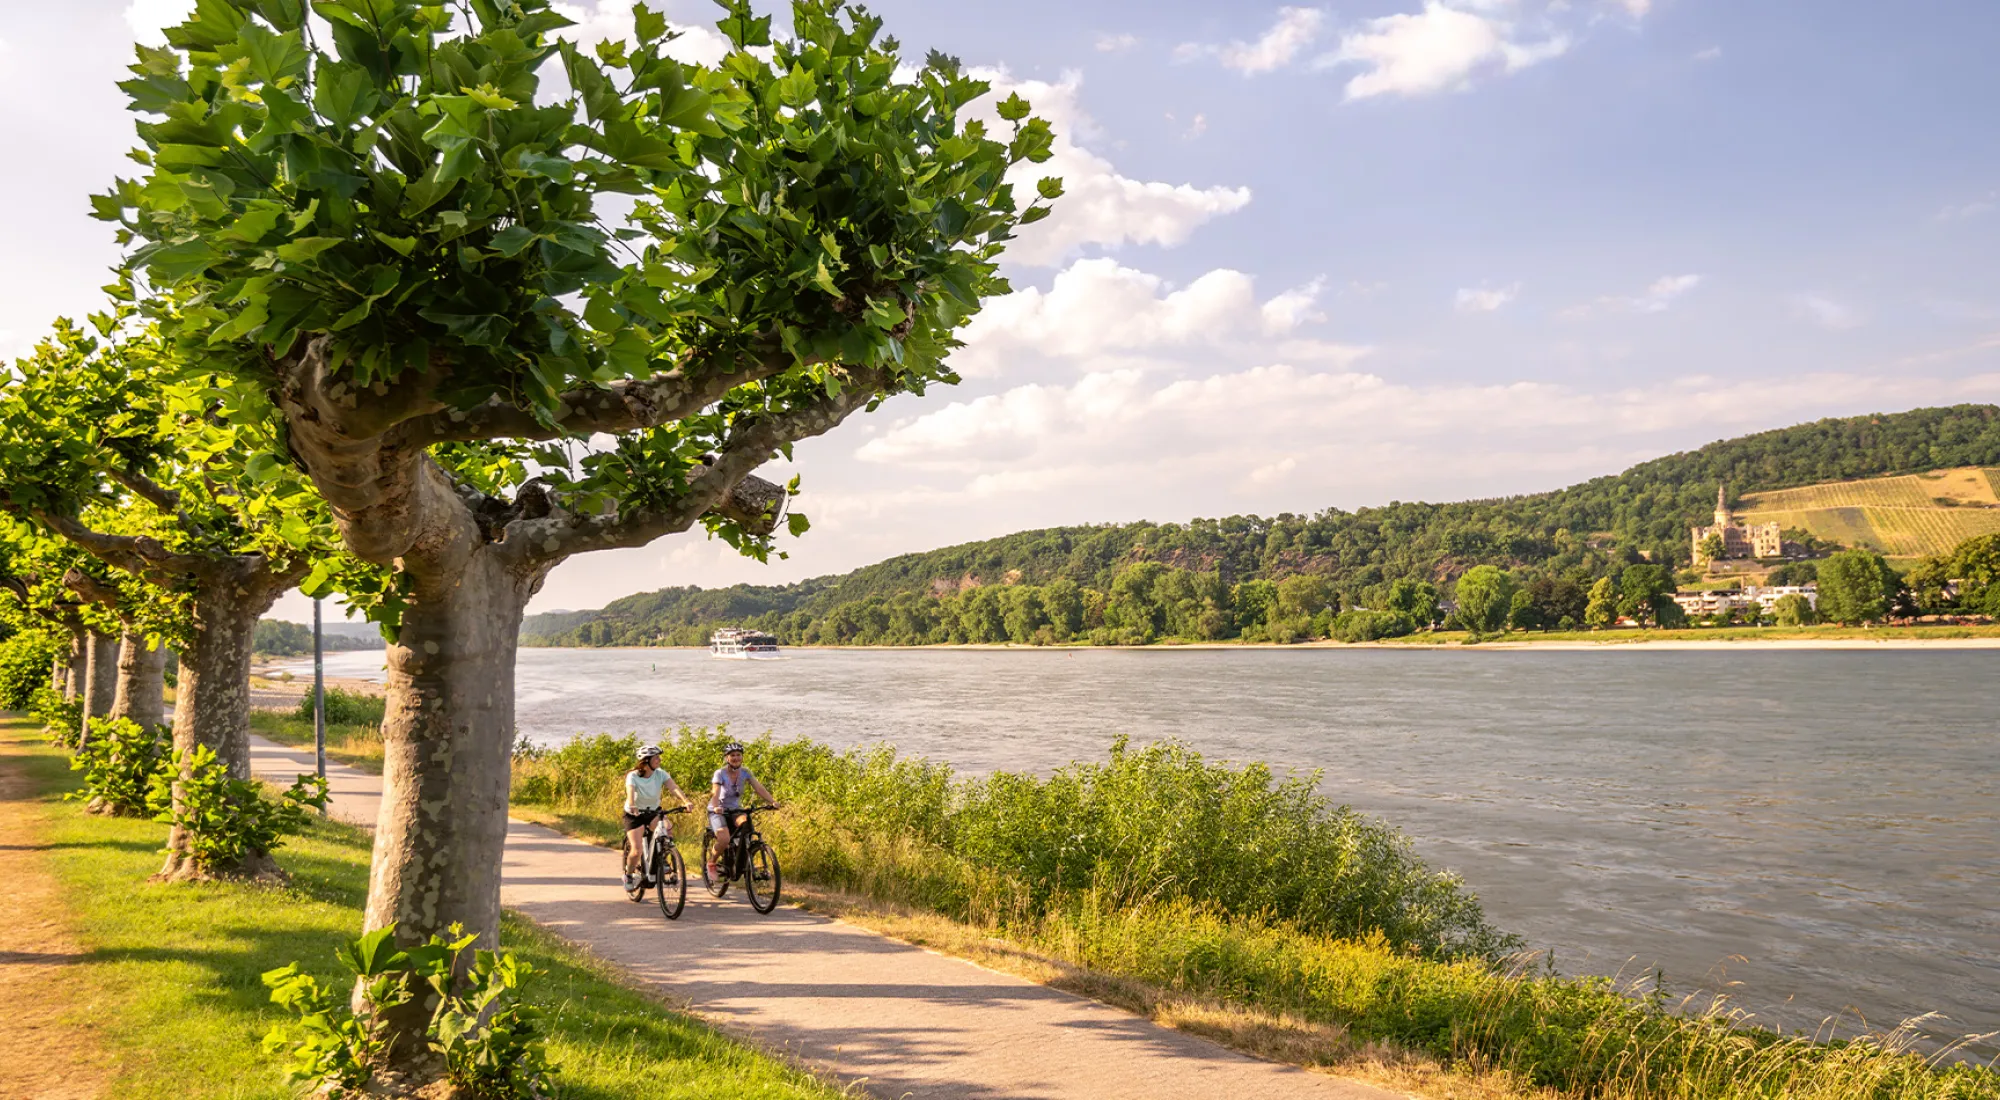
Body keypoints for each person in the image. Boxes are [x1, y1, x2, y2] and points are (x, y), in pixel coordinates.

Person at [707, 741, 778, 880]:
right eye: (732, 755)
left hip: (735, 809)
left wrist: (772, 801)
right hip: (718, 810)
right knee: (724, 839)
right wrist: (716, 806)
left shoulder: (745, 772)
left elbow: (759, 788)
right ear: (727, 758)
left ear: (742, 757)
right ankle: (712, 862)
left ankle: (740, 862)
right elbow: (715, 792)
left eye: (738, 755)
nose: (736, 758)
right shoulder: (720, 773)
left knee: (747, 825)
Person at [624, 745, 692, 885]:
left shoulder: (660, 773)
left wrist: (685, 801)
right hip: (635, 814)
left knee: (667, 830)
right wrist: (632, 804)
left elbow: (673, 788)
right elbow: (630, 792)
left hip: (654, 812)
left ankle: (664, 857)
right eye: (656, 758)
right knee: (636, 851)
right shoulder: (633, 776)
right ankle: (629, 875)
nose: (659, 760)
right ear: (646, 761)